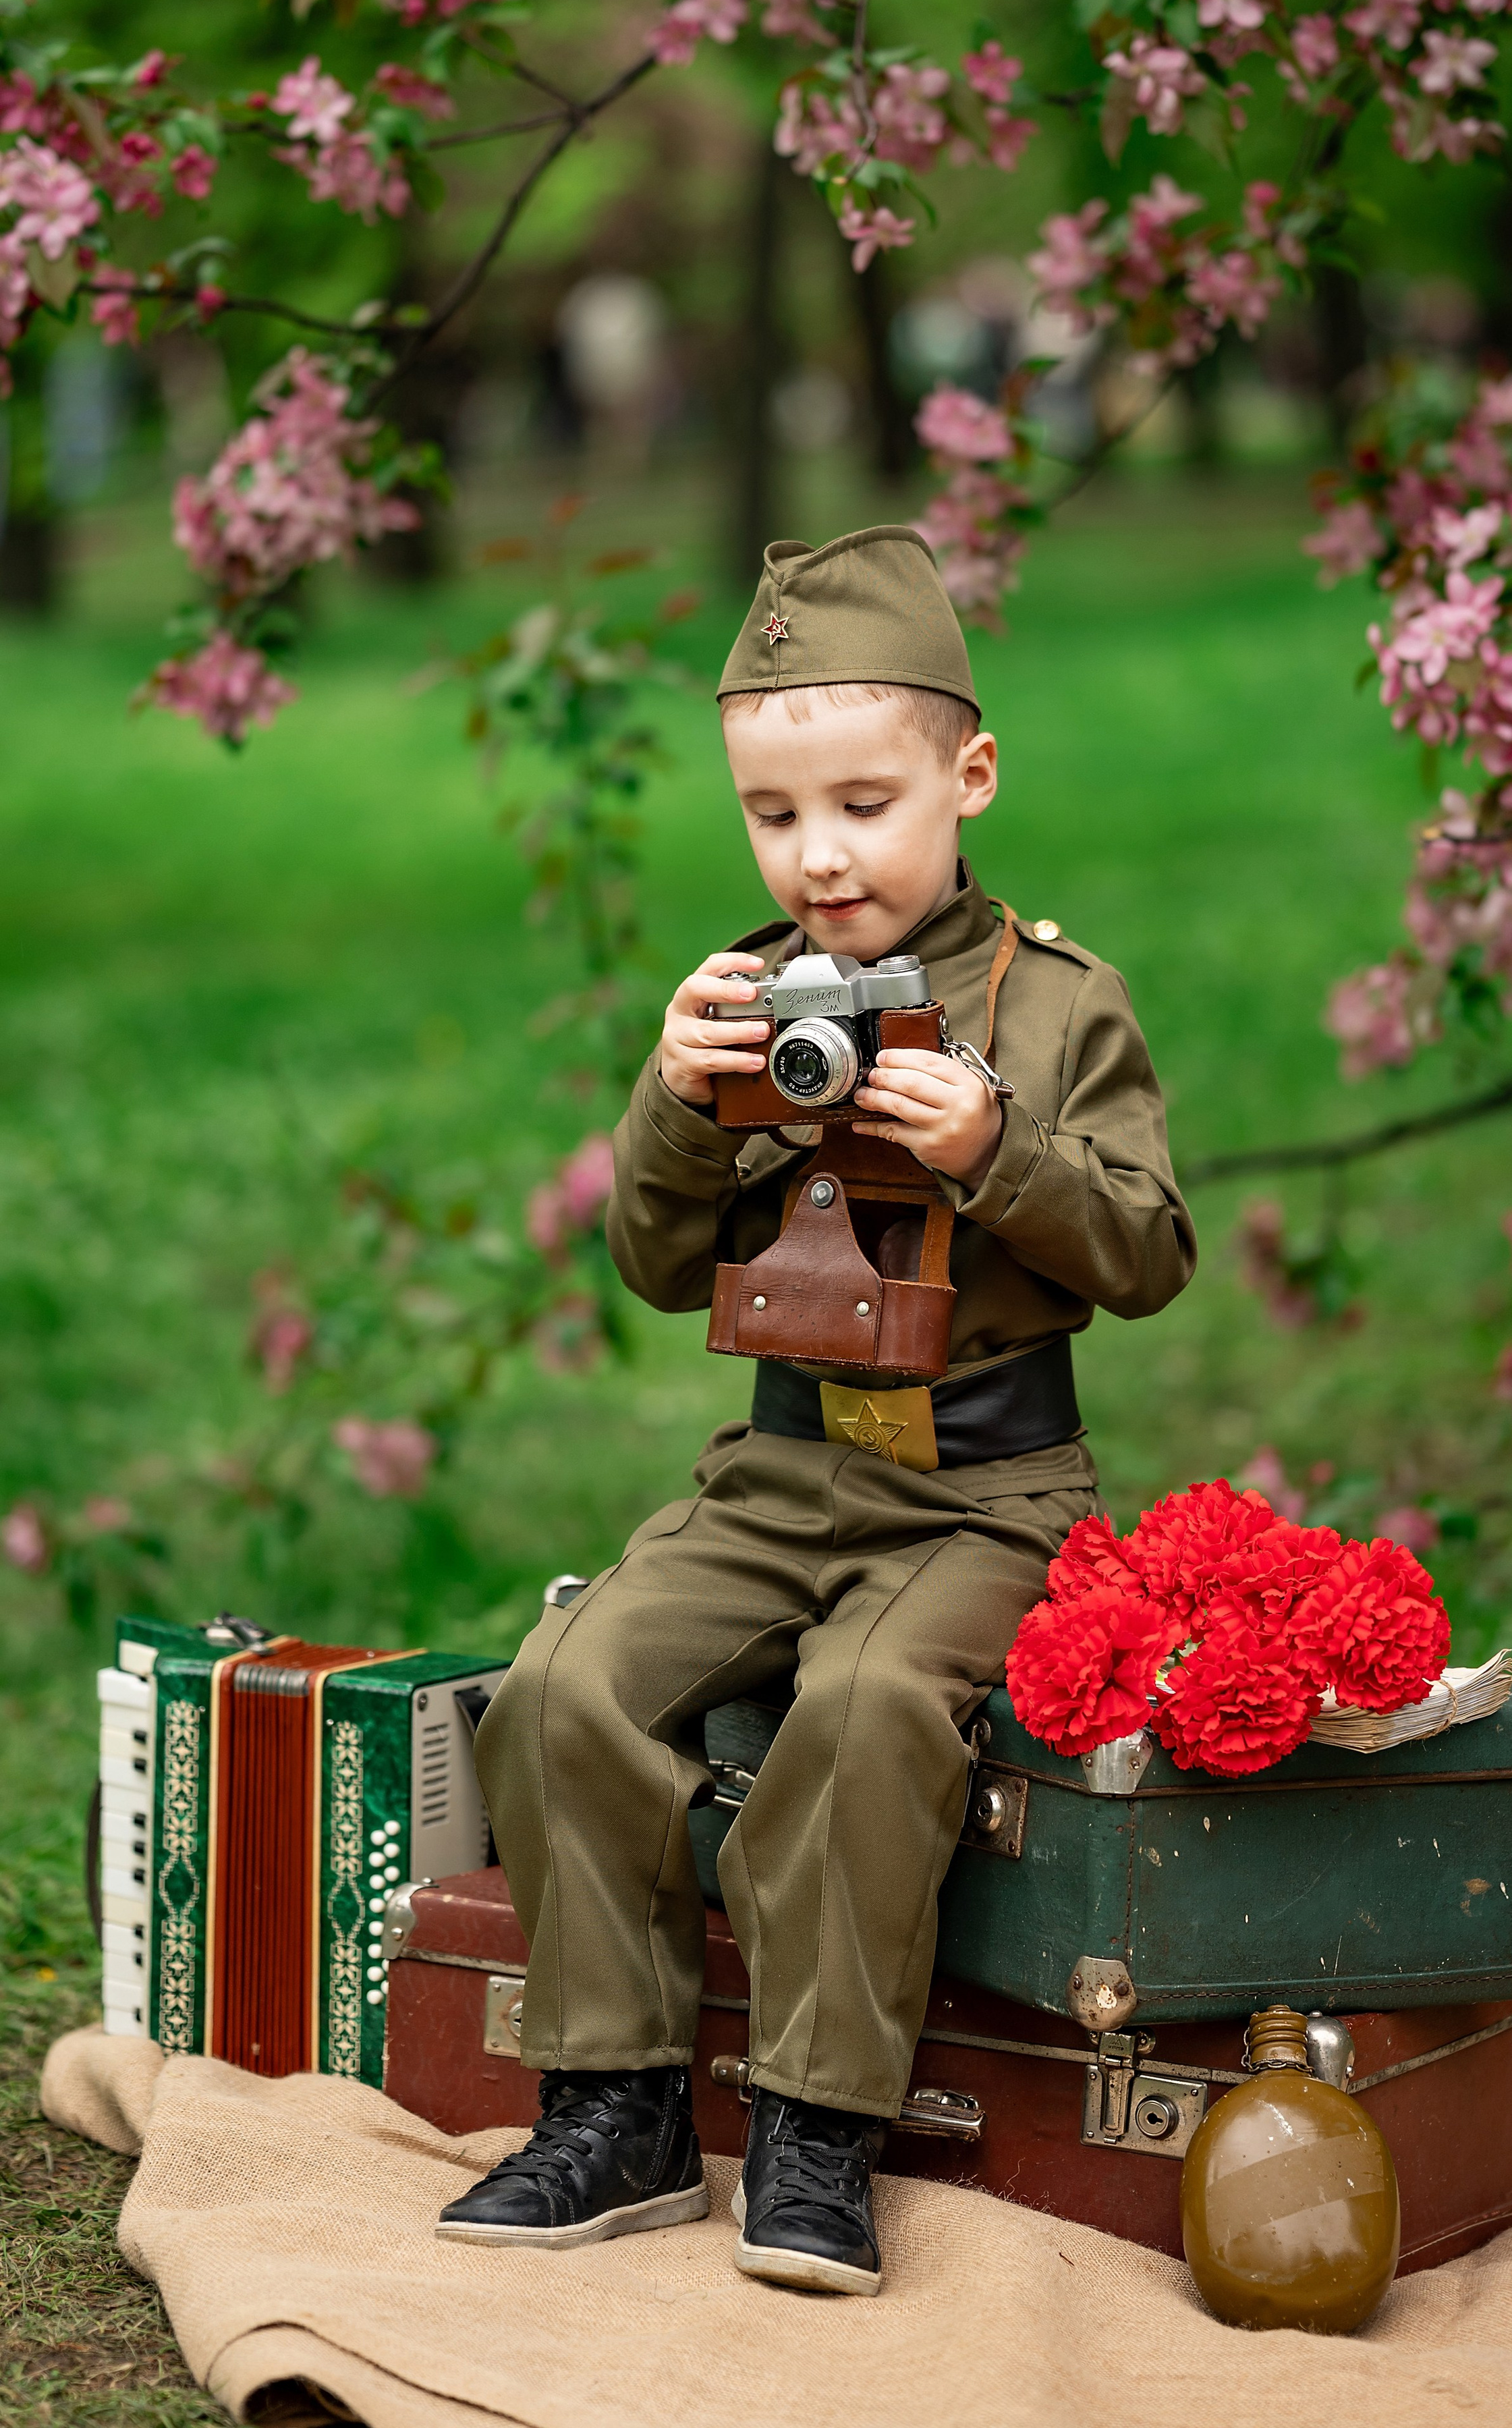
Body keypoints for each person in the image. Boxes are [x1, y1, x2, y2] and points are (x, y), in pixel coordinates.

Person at [441, 525, 1197, 2293]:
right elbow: (647, 1260)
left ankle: (814, 2130)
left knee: (862, 1706)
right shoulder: (745, 995)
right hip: (783, 1460)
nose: (821, 856)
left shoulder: (1059, 1004)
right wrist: (678, 1098)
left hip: (988, 1487)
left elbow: (1152, 1251)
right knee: (563, 1682)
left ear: (970, 775)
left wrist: (996, 1145)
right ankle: (612, 2110)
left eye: (863, 803)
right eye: (776, 817)